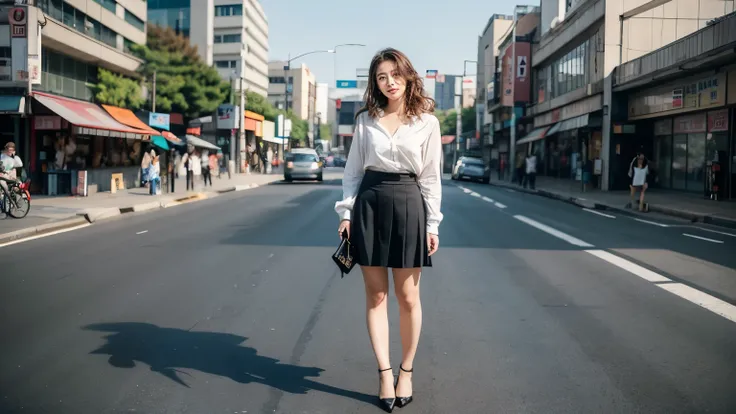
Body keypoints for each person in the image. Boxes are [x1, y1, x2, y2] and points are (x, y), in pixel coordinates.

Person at [334, 48, 442, 413]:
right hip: (370, 203)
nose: (389, 82)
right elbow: (352, 172)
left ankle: (406, 370)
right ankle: (383, 372)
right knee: (377, 296)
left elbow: (430, 177)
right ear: (375, 83)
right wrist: (347, 213)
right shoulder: (366, 120)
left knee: (408, 297)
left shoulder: (427, 122)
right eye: (382, 77)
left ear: (408, 76)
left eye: (395, 74)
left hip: (410, 203)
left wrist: (433, 224)